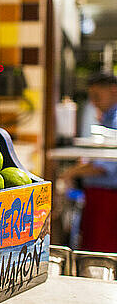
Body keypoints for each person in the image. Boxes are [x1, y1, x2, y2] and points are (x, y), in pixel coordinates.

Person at [60, 73, 117, 253]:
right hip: (99, 196)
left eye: (97, 96)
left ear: (114, 91)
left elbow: (103, 167)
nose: (93, 103)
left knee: (100, 255)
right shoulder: (107, 118)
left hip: (108, 199)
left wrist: (70, 173)